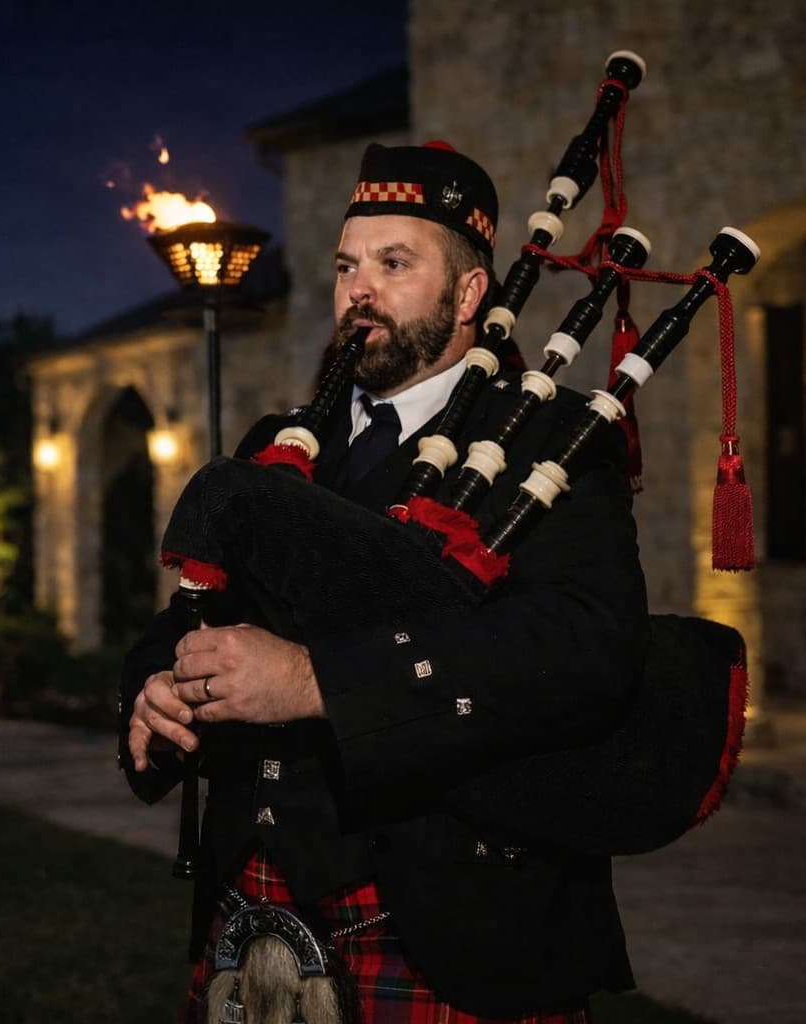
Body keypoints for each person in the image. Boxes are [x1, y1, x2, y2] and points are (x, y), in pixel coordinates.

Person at [120, 141, 648, 1024]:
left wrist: (314, 681)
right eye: (344, 265)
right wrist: (156, 687)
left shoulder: (547, 440)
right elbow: (191, 615)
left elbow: (586, 648)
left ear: (469, 294)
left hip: (450, 923)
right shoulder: (278, 450)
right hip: (251, 914)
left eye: (393, 263)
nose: (356, 288)